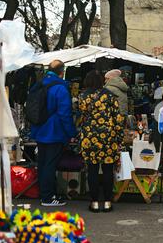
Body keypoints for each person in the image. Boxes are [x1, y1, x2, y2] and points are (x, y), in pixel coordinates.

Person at [30, 60, 77, 207]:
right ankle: (48, 198)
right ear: (62, 72)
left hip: (39, 130)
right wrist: (72, 132)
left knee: (43, 163)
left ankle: (44, 194)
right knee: (50, 164)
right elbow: (65, 114)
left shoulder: (39, 84)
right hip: (54, 132)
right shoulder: (60, 88)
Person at [78, 70, 125, 212]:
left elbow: (81, 116)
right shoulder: (110, 96)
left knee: (92, 169)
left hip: (89, 137)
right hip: (108, 137)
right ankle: (107, 202)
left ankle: (94, 202)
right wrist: (119, 137)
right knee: (107, 170)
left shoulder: (82, 97)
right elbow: (118, 118)